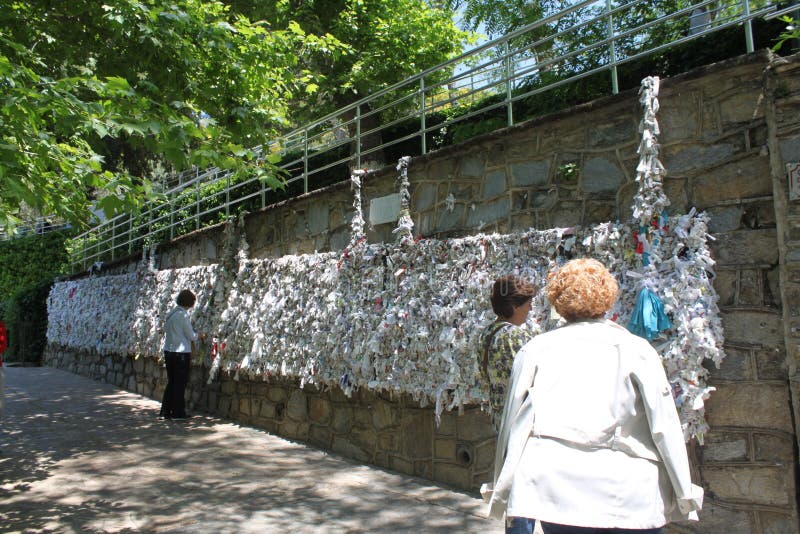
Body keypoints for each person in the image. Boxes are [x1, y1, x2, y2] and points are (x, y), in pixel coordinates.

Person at [485, 258, 703, 534]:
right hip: (630, 493)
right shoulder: (638, 350)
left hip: (561, 494)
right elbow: (664, 425)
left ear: (558, 300)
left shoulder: (536, 350)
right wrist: (683, 493)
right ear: (608, 296)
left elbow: (512, 425)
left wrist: (501, 491)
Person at [477, 275, 538, 534]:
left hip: (500, 420)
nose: (531, 309)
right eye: (527, 304)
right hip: (523, 424)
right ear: (514, 306)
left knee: (513, 487)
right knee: (524, 495)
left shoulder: (487, 334)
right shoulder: (516, 338)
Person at [160, 289, 203, 419]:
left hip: (169, 351)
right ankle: (178, 412)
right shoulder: (183, 316)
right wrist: (199, 335)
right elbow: (191, 335)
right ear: (189, 302)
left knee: (171, 382)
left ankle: (165, 411)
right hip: (181, 354)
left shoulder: (171, 314)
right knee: (180, 383)